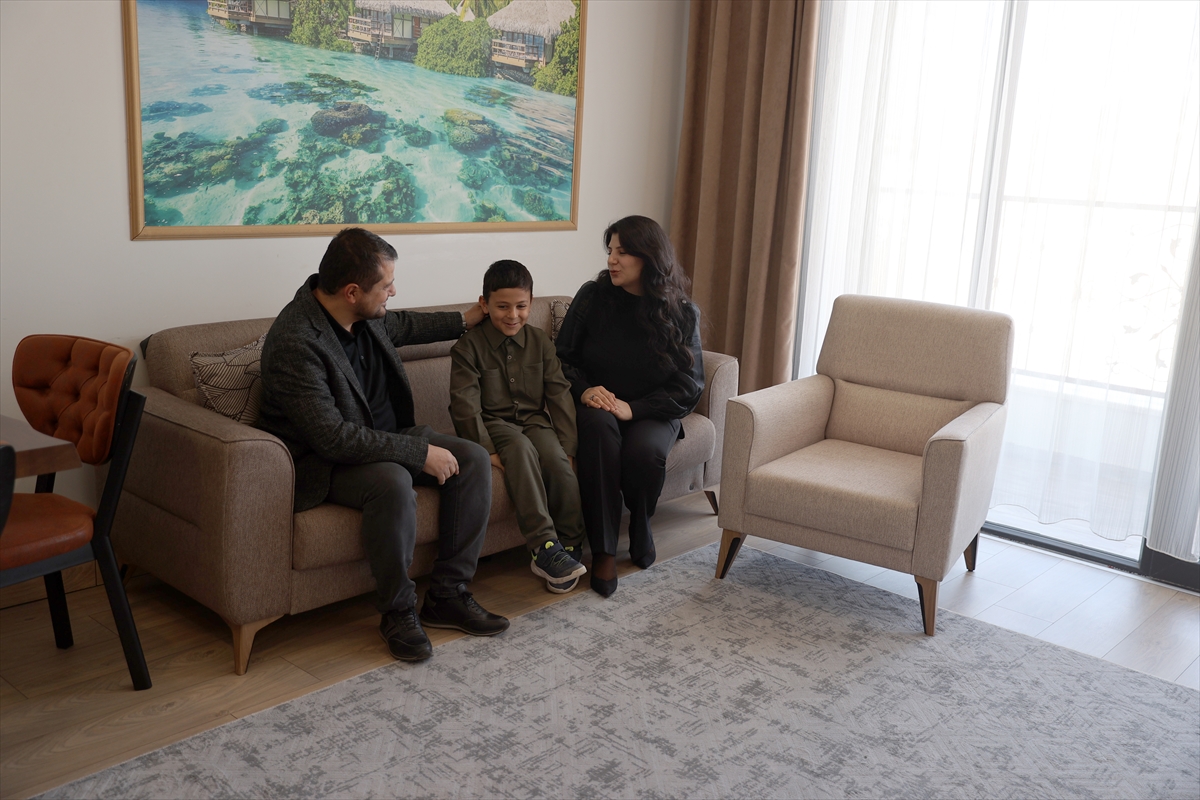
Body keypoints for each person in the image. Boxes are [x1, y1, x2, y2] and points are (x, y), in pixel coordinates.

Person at [256, 227, 510, 663]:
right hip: (326, 461)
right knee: (392, 481)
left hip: (388, 437)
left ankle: (448, 595)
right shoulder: (296, 341)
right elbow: (332, 437)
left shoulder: (363, 314)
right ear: (352, 291)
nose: (394, 291)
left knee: (471, 458)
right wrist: (418, 453)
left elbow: (404, 324)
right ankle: (397, 612)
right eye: (387, 285)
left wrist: (466, 319)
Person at [556, 216, 705, 597]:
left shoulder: (681, 312)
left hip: (650, 409)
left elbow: (690, 386)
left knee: (645, 452)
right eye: (610, 251)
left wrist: (634, 409)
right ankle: (604, 550)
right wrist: (584, 390)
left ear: (649, 257)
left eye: (622, 252)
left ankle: (641, 521)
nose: (612, 260)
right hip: (597, 403)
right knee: (599, 435)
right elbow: (561, 358)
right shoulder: (593, 297)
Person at [449, 260, 588, 593]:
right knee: (521, 450)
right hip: (493, 423)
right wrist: (487, 450)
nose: (513, 315)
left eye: (521, 306)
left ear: (531, 302)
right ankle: (544, 547)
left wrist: (568, 446)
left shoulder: (540, 342)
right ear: (484, 304)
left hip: (534, 421)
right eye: (502, 307)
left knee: (558, 462)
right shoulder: (468, 348)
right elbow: (464, 405)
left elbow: (559, 394)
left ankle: (570, 542)